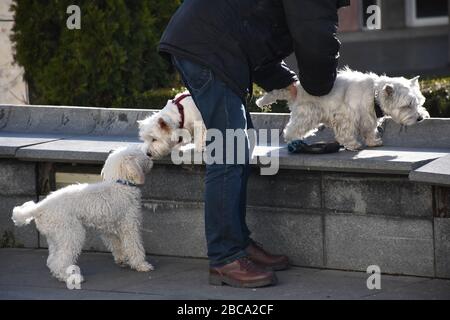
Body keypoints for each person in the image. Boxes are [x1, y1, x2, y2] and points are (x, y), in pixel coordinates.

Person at [158, 0, 349, 288]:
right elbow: (315, 38)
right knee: (228, 154)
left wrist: (289, 82)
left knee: (238, 145)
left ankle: (238, 243)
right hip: (206, 47)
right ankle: (225, 258)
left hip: (206, 43)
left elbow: (257, 34)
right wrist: (321, 88)